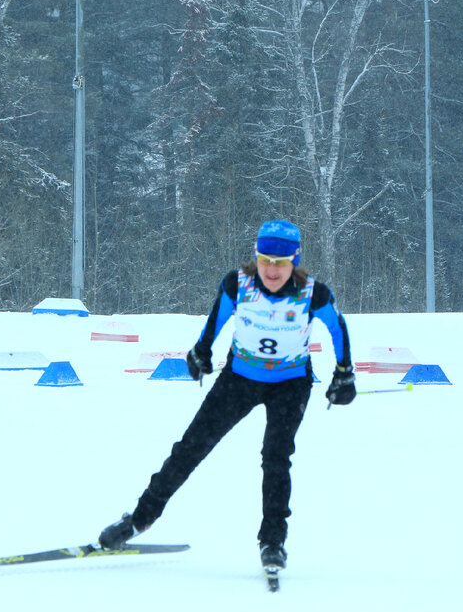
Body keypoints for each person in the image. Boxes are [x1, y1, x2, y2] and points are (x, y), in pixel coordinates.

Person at [98, 219, 355, 572]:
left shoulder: (314, 293)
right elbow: (215, 320)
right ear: (256, 257)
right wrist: (201, 351)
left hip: (291, 384)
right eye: (266, 260)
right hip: (239, 378)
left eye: (281, 263)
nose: (272, 270)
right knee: (191, 447)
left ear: (294, 261)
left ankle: (273, 542)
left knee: (276, 458)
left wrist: (344, 373)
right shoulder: (238, 285)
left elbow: (338, 328)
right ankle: (138, 520)